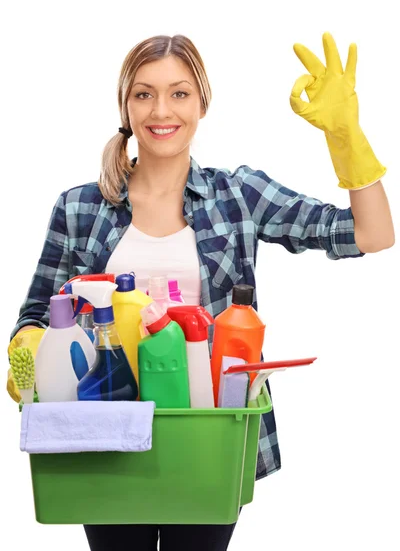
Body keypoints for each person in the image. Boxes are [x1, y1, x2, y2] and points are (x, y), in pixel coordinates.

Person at [7, 32, 395, 550]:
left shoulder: (238, 196)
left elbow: (371, 235)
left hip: (209, 435)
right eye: (143, 93)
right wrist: (28, 348)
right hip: (104, 434)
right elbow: (38, 311)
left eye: (179, 92)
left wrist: (347, 139)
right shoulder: (80, 207)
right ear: (124, 104)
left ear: (203, 102)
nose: (161, 109)